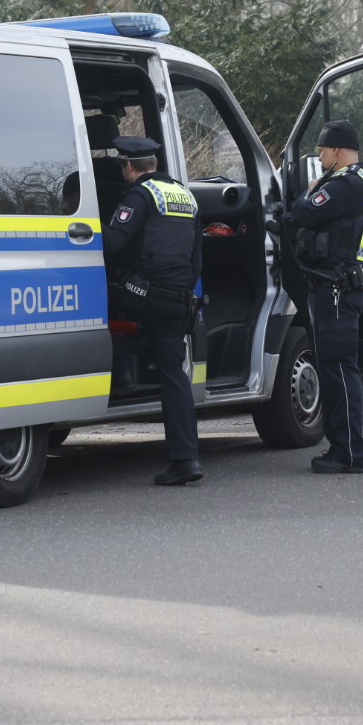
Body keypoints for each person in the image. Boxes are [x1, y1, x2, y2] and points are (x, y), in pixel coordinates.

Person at [102, 135, 204, 486]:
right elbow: (196, 258)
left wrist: (83, 227)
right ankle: (186, 460)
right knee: (174, 377)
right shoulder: (185, 196)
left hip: (144, 296)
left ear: (129, 166)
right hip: (178, 299)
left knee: (96, 304)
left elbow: (115, 242)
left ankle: (121, 375)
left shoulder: (140, 195)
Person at [283, 119, 363, 474]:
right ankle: (344, 448)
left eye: (322, 150)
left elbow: (305, 212)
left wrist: (311, 189)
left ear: (336, 151)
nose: (320, 156)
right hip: (337, 285)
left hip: (336, 288)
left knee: (338, 370)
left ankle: (350, 452)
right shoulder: (360, 178)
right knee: (336, 369)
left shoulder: (347, 184)